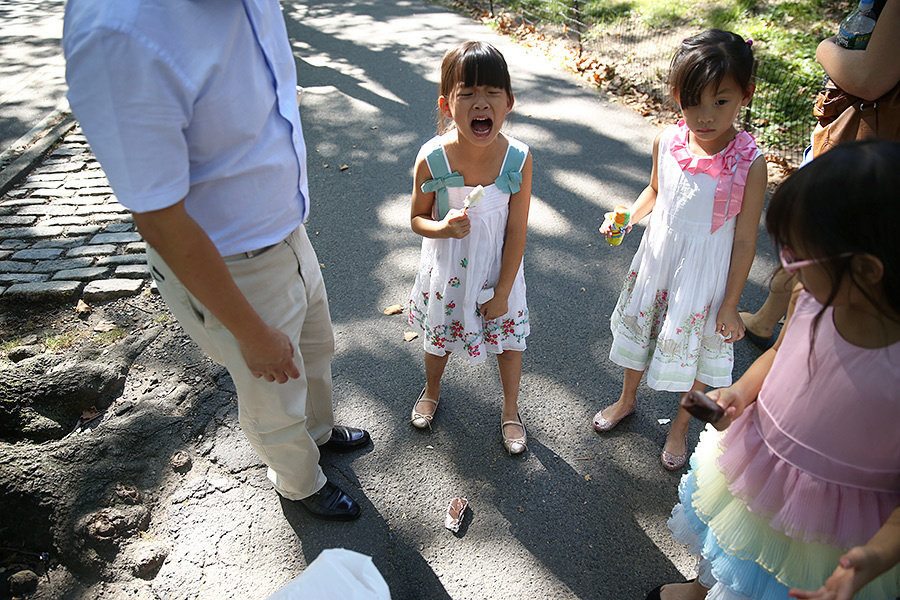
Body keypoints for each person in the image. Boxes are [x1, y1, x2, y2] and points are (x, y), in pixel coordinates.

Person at [62, 0, 370, 521]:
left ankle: (317, 435)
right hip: (234, 265)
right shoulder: (119, 31)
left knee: (316, 351)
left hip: (288, 233)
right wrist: (250, 332)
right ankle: (299, 481)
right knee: (273, 392)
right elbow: (159, 217)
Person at [647, 140, 900, 600]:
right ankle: (700, 589)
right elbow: (779, 357)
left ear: (865, 270)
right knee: (730, 540)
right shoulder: (810, 298)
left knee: (765, 584)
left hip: (833, 524)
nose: (784, 275)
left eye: (796, 257)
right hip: (763, 458)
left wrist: (877, 557)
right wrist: (739, 393)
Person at [594, 30, 767, 470]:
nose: (705, 116)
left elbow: (746, 239)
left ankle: (680, 428)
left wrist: (731, 304)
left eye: (721, 101)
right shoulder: (666, 141)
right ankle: (627, 398)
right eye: (693, 102)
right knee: (644, 331)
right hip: (659, 261)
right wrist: (628, 218)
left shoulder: (750, 161)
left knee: (691, 350)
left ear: (745, 95)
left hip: (705, 279)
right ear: (676, 95)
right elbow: (655, 190)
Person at [738, 0, 899, 349]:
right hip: (859, 138)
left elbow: (871, 77)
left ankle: (791, 344)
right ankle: (773, 325)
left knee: (821, 237)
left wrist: (825, 48)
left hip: (865, 143)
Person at [406, 41, 533, 455]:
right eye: (468, 94)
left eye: (492, 93)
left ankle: (511, 410)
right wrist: (442, 227)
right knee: (437, 340)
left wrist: (502, 292)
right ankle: (431, 389)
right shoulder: (433, 158)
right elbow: (416, 220)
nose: (481, 103)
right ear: (447, 104)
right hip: (447, 271)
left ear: (508, 101)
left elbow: (517, 231)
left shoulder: (517, 159)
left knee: (508, 343)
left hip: (500, 273)